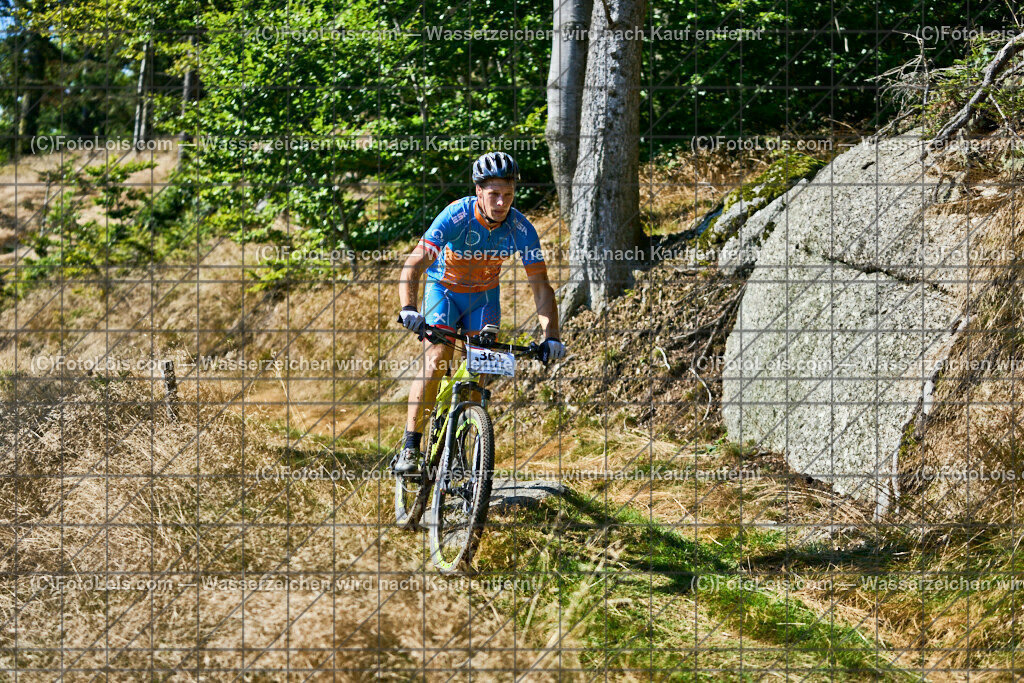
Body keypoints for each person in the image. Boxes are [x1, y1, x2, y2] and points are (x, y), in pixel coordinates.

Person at [394, 151, 565, 474]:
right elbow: (414, 263)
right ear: (478, 193)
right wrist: (408, 308)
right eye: (494, 195)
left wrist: (551, 336)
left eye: (509, 195)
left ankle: (458, 449)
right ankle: (411, 447)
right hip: (443, 291)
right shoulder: (456, 216)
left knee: (480, 371)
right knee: (436, 359)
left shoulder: (521, 228)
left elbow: (540, 286)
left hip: (484, 299)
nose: (502, 203)